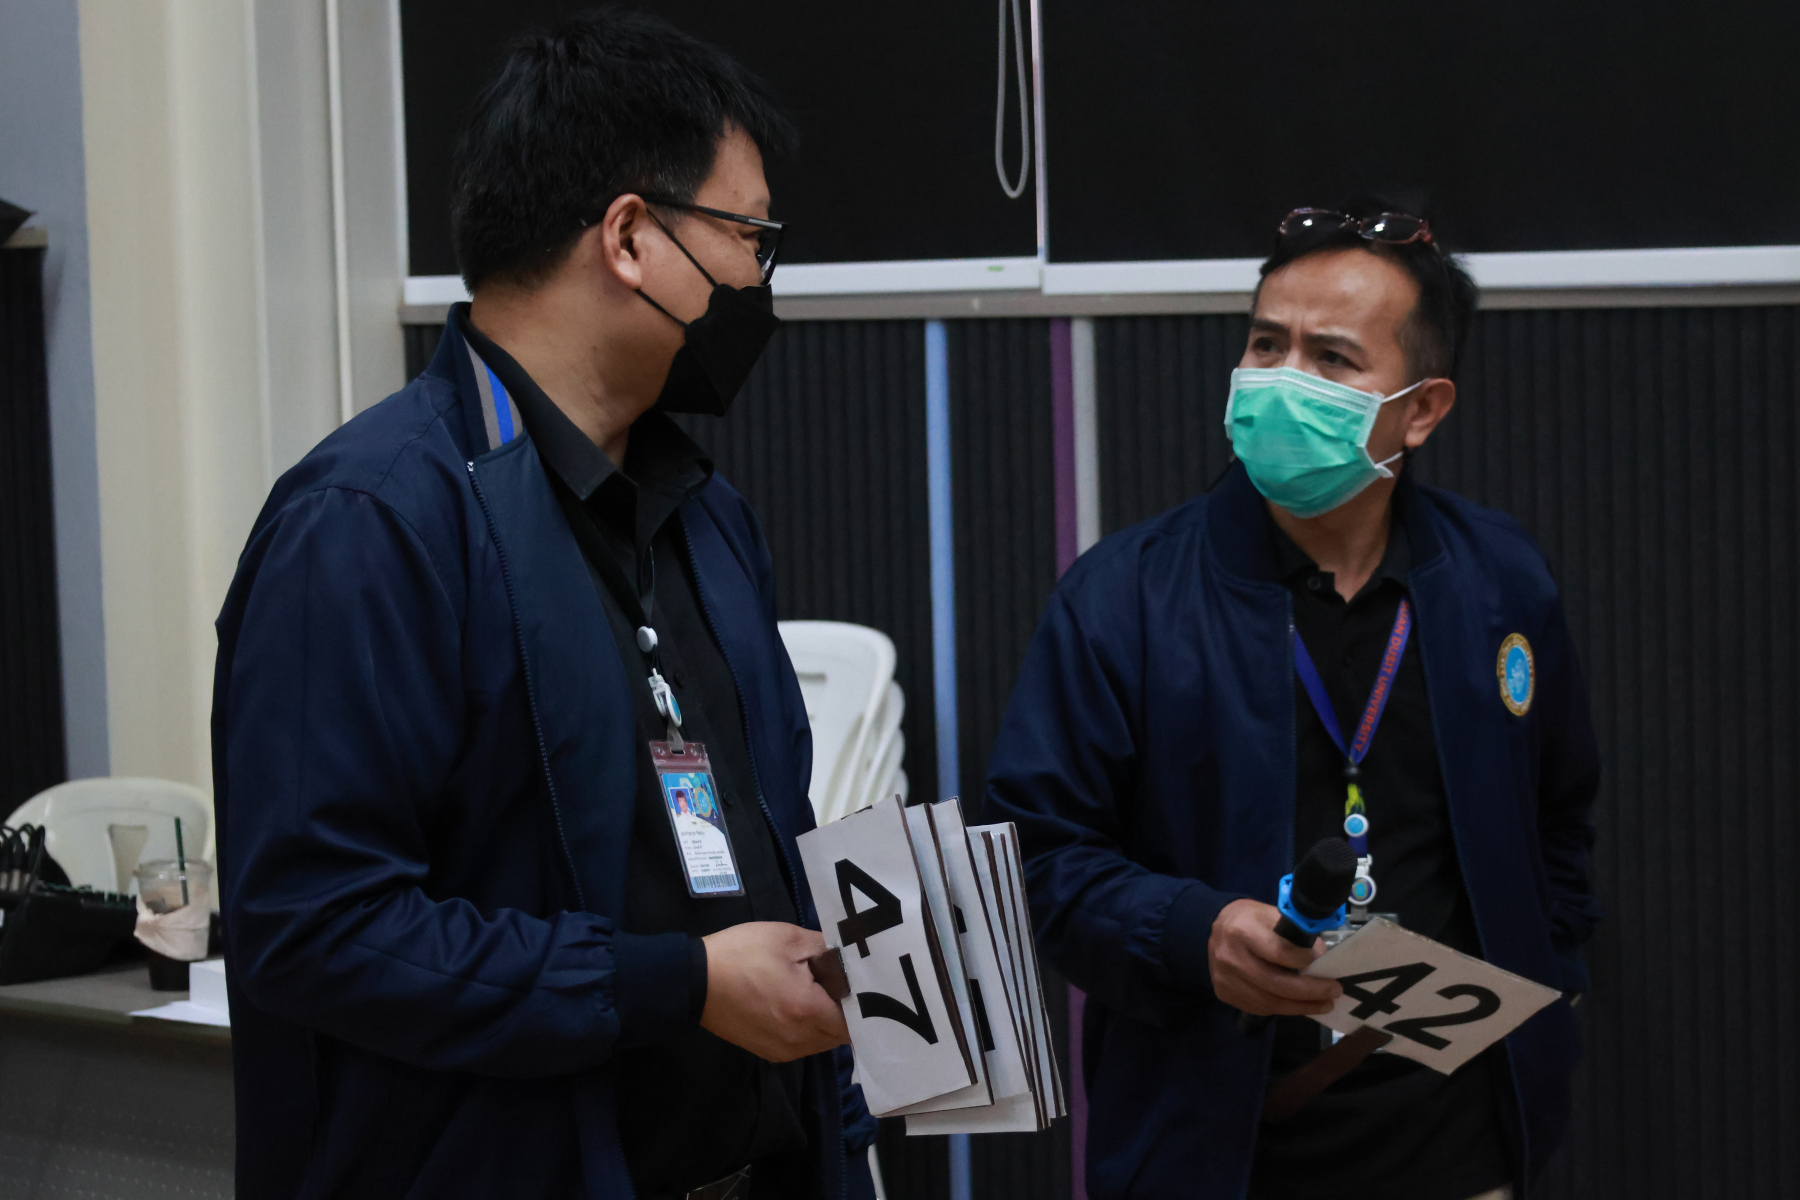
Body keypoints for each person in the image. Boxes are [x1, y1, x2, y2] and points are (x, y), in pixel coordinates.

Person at [213, 12, 875, 1199]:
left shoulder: (709, 517)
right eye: (747, 236)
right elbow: (317, 927)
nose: (758, 280)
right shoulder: (371, 523)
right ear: (630, 237)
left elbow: (769, 841)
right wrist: (676, 985)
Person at [985, 198, 1601, 1199]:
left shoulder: (1498, 582)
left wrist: (1551, 985)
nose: (1282, 380)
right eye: (1267, 344)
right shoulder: (1123, 598)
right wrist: (1193, 932)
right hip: (1213, 1152)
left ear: (1422, 409)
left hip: (1462, 1150)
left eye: (1332, 358)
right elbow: (1039, 861)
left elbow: (1561, 817)